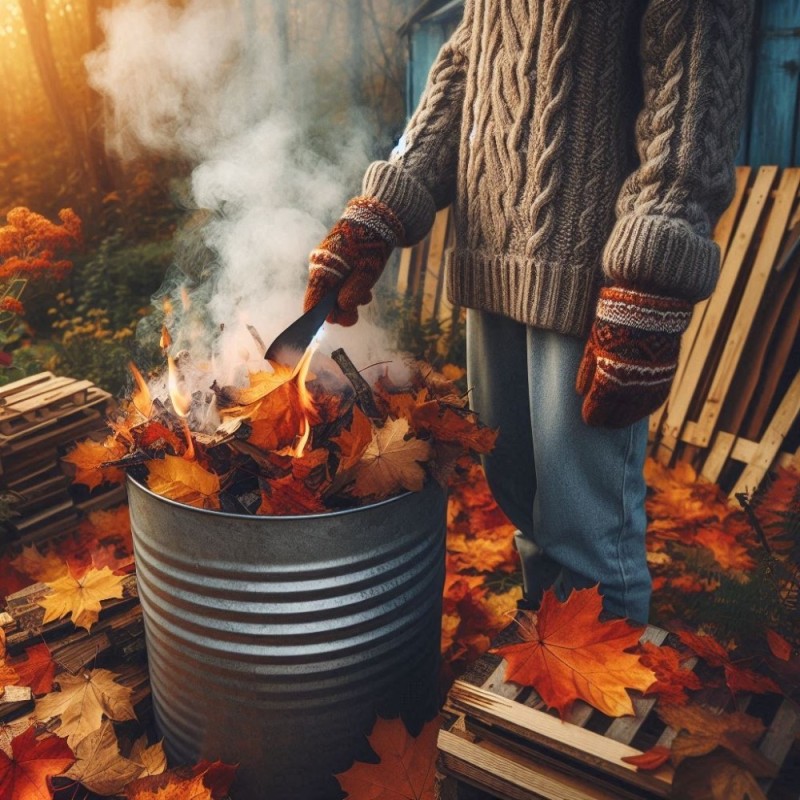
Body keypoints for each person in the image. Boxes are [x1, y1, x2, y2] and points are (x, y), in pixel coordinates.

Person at [303, 0, 753, 624]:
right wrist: (384, 204)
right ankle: (548, 655)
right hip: (490, 267)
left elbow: (693, 95)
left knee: (584, 532)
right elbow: (471, 61)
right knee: (521, 501)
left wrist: (650, 279)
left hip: (591, 285)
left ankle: (587, 700)